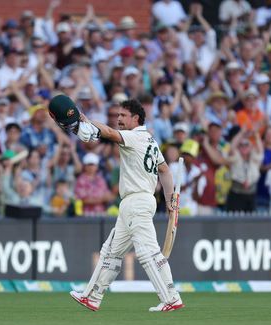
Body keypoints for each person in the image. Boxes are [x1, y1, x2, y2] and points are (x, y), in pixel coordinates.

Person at [49, 95, 183, 312]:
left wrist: (86, 121)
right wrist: (170, 201)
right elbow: (165, 171)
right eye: (118, 114)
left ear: (136, 118)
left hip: (137, 201)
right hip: (135, 202)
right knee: (111, 252)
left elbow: (110, 133)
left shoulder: (135, 137)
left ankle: (170, 297)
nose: (119, 118)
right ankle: (92, 296)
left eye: (123, 115)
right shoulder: (150, 140)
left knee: (148, 253)